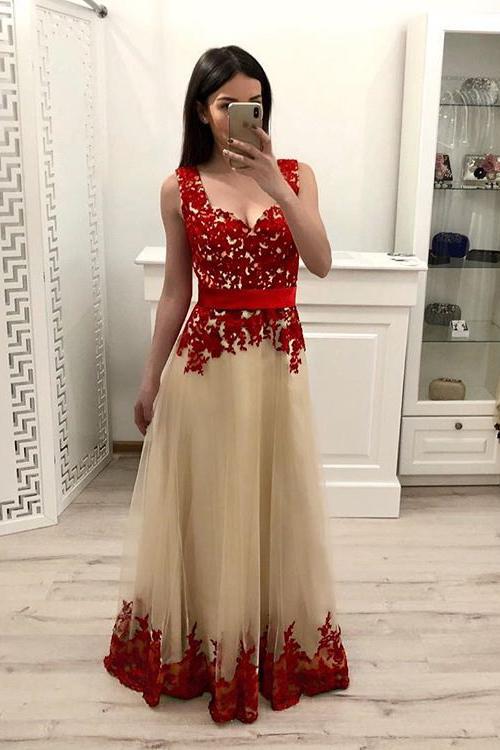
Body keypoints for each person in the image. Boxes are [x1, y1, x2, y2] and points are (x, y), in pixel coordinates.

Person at [103, 44, 349, 725]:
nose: (243, 113)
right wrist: (150, 378)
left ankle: (264, 642)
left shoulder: (297, 175)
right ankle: (210, 646)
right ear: (202, 111)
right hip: (205, 369)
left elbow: (321, 262)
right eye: (227, 103)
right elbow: (175, 292)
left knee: (273, 498)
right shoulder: (178, 188)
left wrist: (275, 185)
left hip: (274, 366)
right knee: (210, 507)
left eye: (254, 103)